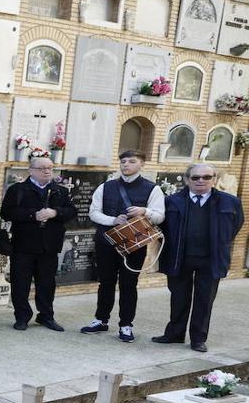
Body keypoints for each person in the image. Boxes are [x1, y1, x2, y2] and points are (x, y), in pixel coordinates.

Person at [152, 163, 243, 353]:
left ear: (214, 179)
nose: (201, 180)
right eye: (195, 177)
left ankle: (198, 339)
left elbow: (236, 225)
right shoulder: (172, 201)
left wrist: (219, 243)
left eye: (206, 177)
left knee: (204, 300)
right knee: (179, 298)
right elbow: (163, 227)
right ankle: (174, 334)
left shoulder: (230, 202)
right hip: (179, 257)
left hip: (211, 260)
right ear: (187, 180)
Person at [81, 150, 165, 343]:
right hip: (106, 242)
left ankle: (126, 325)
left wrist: (145, 211)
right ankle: (101, 320)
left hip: (134, 244)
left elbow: (160, 215)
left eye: (131, 161)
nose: (126, 164)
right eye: (123, 161)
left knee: (129, 285)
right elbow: (93, 213)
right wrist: (112, 220)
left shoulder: (153, 189)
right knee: (105, 283)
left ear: (141, 164)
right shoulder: (106, 186)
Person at [0, 156, 77, 331]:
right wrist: (32, 215)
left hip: (49, 246)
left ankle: (46, 316)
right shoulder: (17, 190)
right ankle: (22, 316)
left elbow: (72, 211)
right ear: (31, 170)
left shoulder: (60, 191)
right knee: (20, 283)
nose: (47, 171)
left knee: (47, 283)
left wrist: (54, 213)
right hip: (23, 245)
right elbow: (7, 212)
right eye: (42, 168)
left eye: (50, 167)